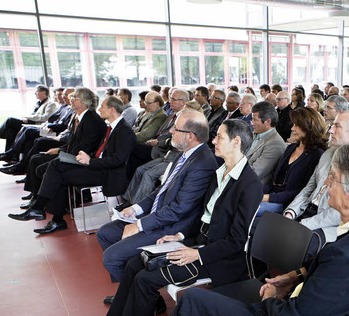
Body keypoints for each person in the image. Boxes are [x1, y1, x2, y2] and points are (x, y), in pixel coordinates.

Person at [161, 142, 349, 316]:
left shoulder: (348, 256)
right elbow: (341, 282)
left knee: (190, 302)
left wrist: (273, 298)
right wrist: (298, 275)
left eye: (334, 178)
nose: (326, 183)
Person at [101, 119, 262, 316]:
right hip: (196, 242)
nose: (213, 140)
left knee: (145, 279)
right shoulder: (220, 172)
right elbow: (202, 216)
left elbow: (236, 241)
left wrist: (198, 255)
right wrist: (179, 235)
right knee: (133, 264)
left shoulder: (249, 185)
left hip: (217, 257)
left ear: (236, 142)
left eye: (219, 137)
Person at [97, 110, 216, 283]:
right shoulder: (184, 154)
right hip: (157, 217)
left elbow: (179, 209)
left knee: (111, 258)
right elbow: (162, 190)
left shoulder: (202, 162)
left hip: (170, 227)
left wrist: (139, 225)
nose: (171, 132)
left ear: (190, 136)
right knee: (105, 233)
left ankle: (136, 295)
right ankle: (129, 288)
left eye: (176, 129)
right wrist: (136, 208)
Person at [10, 96, 136, 234]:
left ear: (112, 110)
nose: (99, 109)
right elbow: (101, 151)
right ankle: (44, 212)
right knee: (56, 165)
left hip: (107, 174)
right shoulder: (111, 127)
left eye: (102, 107)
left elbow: (117, 160)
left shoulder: (124, 131)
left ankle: (45, 212)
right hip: (96, 166)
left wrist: (90, 161)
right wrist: (86, 157)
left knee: (58, 173)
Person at [283, 111, 349, 243]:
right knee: (260, 230)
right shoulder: (328, 154)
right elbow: (309, 188)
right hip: (306, 212)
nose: (331, 130)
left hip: (328, 225)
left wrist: (303, 224)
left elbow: (341, 211)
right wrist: (291, 212)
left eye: (337, 126)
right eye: (332, 125)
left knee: (284, 242)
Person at [258, 107, 327, 216]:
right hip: (272, 196)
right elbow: (275, 180)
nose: (292, 129)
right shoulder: (291, 148)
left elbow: (304, 191)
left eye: (296, 125)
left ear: (308, 127)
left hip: (288, 204)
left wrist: (267, 197)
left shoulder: (317, 155)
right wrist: (257, 191)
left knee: (248, 210)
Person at [0, 85, 57, 152]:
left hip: (37, 124)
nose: (35, 93)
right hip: (29, 122)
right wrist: (27, 119)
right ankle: (9, 154)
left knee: (10, 120)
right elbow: (33, 115)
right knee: (10, 131)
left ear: (44, 92)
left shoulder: (50, 104)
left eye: (37, 91)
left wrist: (28, 117)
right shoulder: (38, 103)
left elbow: (46, 117)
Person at [246, 101, 286, 185]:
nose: (251, 123)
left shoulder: (275, 144)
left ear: (268, 121)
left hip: (252, 186)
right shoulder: (253, 134)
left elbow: (254, 173)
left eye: (254, 119)